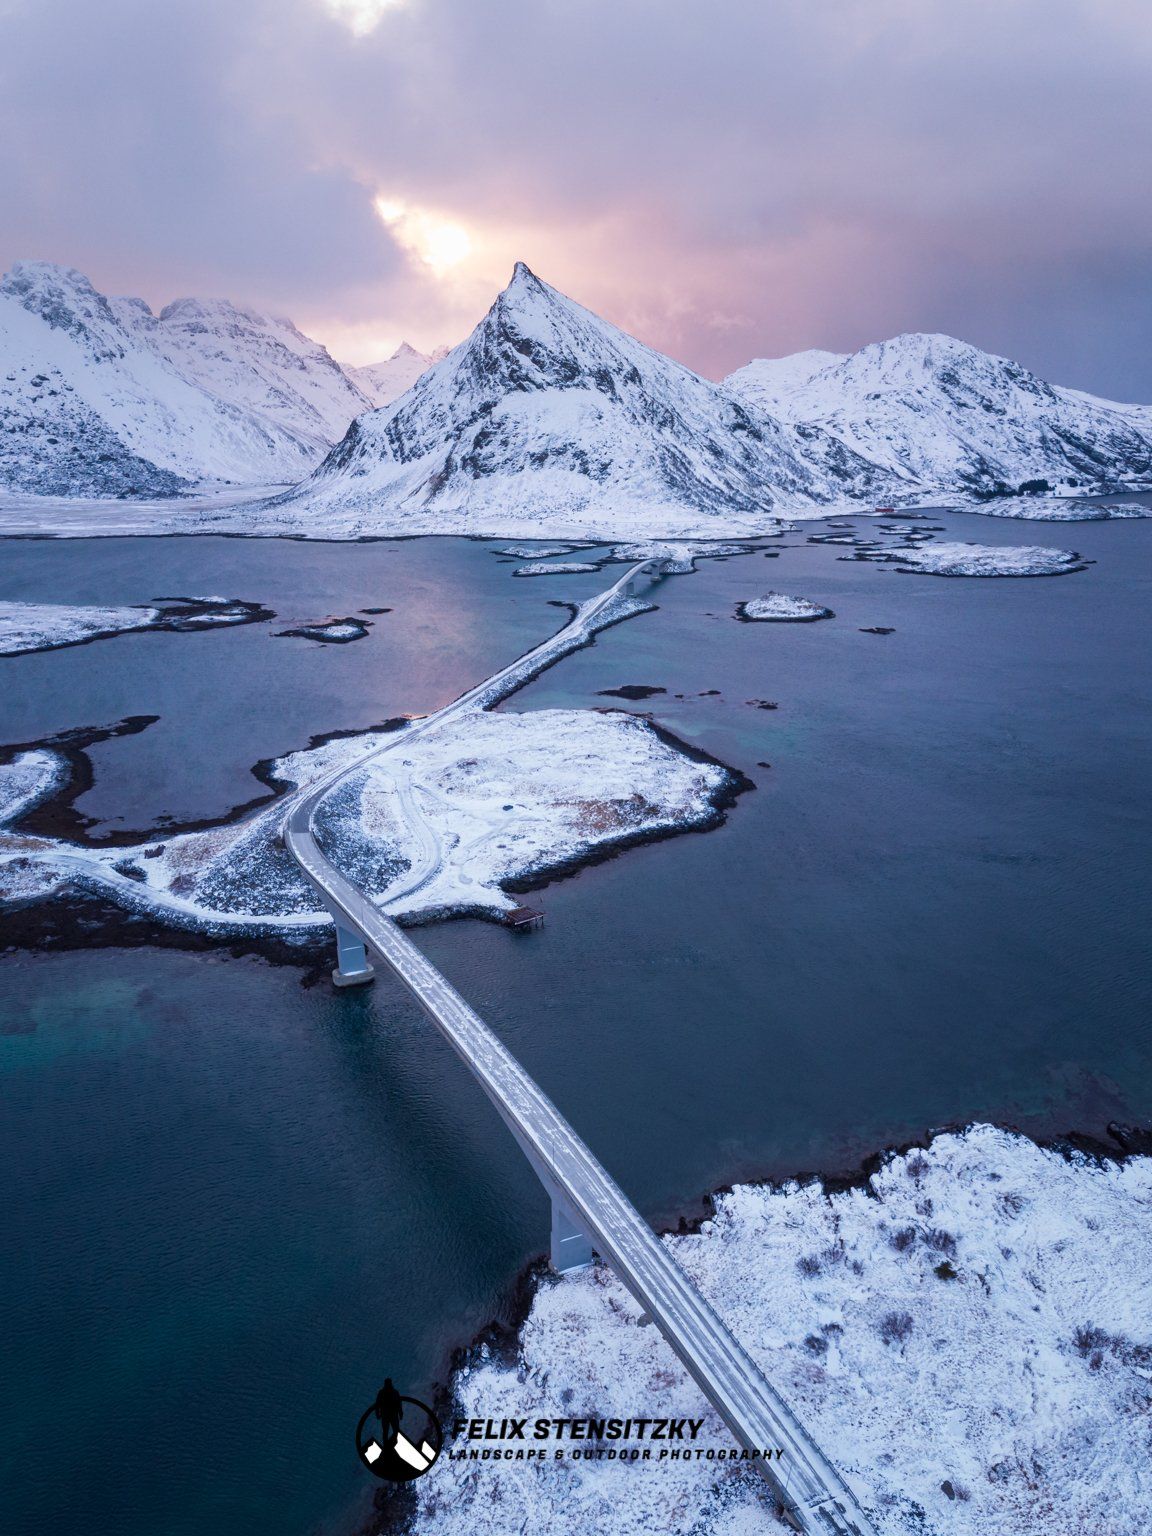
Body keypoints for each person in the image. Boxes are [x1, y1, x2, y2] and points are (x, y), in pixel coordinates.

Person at [374, 1378, 402, 1444]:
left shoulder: (383, 1393)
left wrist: (400, 1412)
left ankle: (391, 1443)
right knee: (388, 1431)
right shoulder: (394, 1392)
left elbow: (399, 1403)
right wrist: (400, 1412)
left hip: (389, 1415)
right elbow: (377, 1404)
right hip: (388, 1415)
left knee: (394, 1430)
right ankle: (389, 1443)